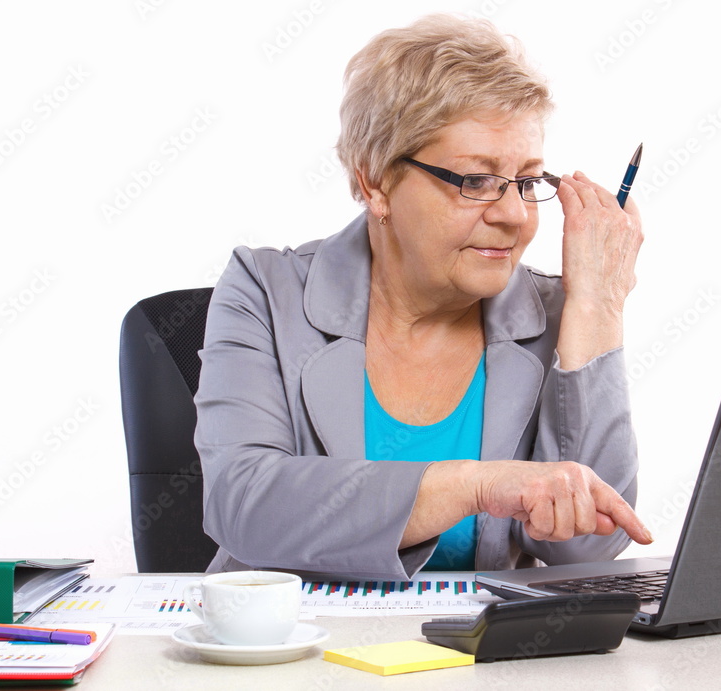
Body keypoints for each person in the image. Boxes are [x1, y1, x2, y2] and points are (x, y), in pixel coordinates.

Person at [194, 13, 651, 581]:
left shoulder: (557, 313)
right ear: (375, 182)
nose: (514, 215)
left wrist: (598, 306)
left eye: (528, 182)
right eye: (476, 181)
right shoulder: (265, 291)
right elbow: (243, 504)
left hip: (470, 641)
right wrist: (475, 486)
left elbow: (586, 548)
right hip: (292, 637)